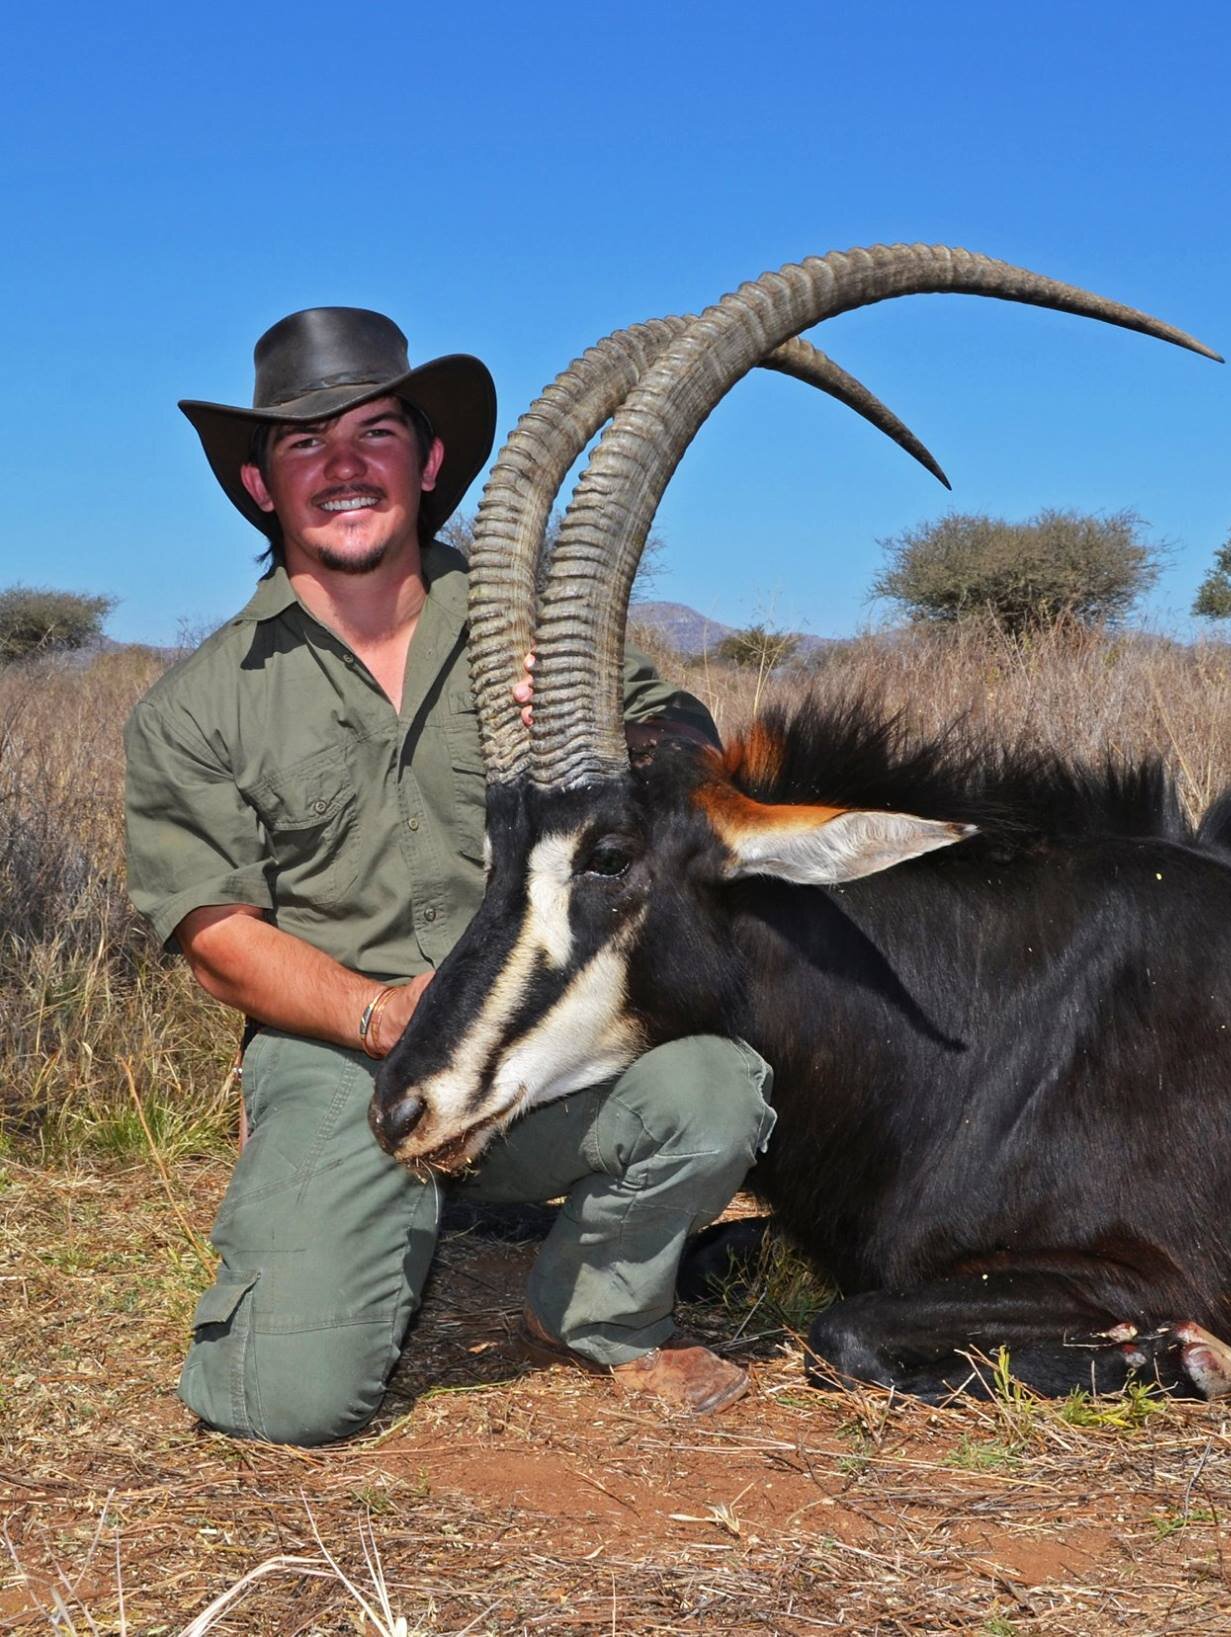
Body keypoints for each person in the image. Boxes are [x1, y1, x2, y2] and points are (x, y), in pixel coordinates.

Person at [124, 307, 774, 1445]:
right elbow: (217, 933)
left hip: (526, 1038)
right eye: (303, 443)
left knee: (718, 1085)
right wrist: (378, 1014)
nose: (342, 465)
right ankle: (364, 1211)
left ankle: (595, 1305)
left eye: (374, 432)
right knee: (285, 1405)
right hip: (350, 1054)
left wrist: (603, 741)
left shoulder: (528, 625)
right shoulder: (195, 706)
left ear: (424, 463)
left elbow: (682, 734)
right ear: (258, 481)